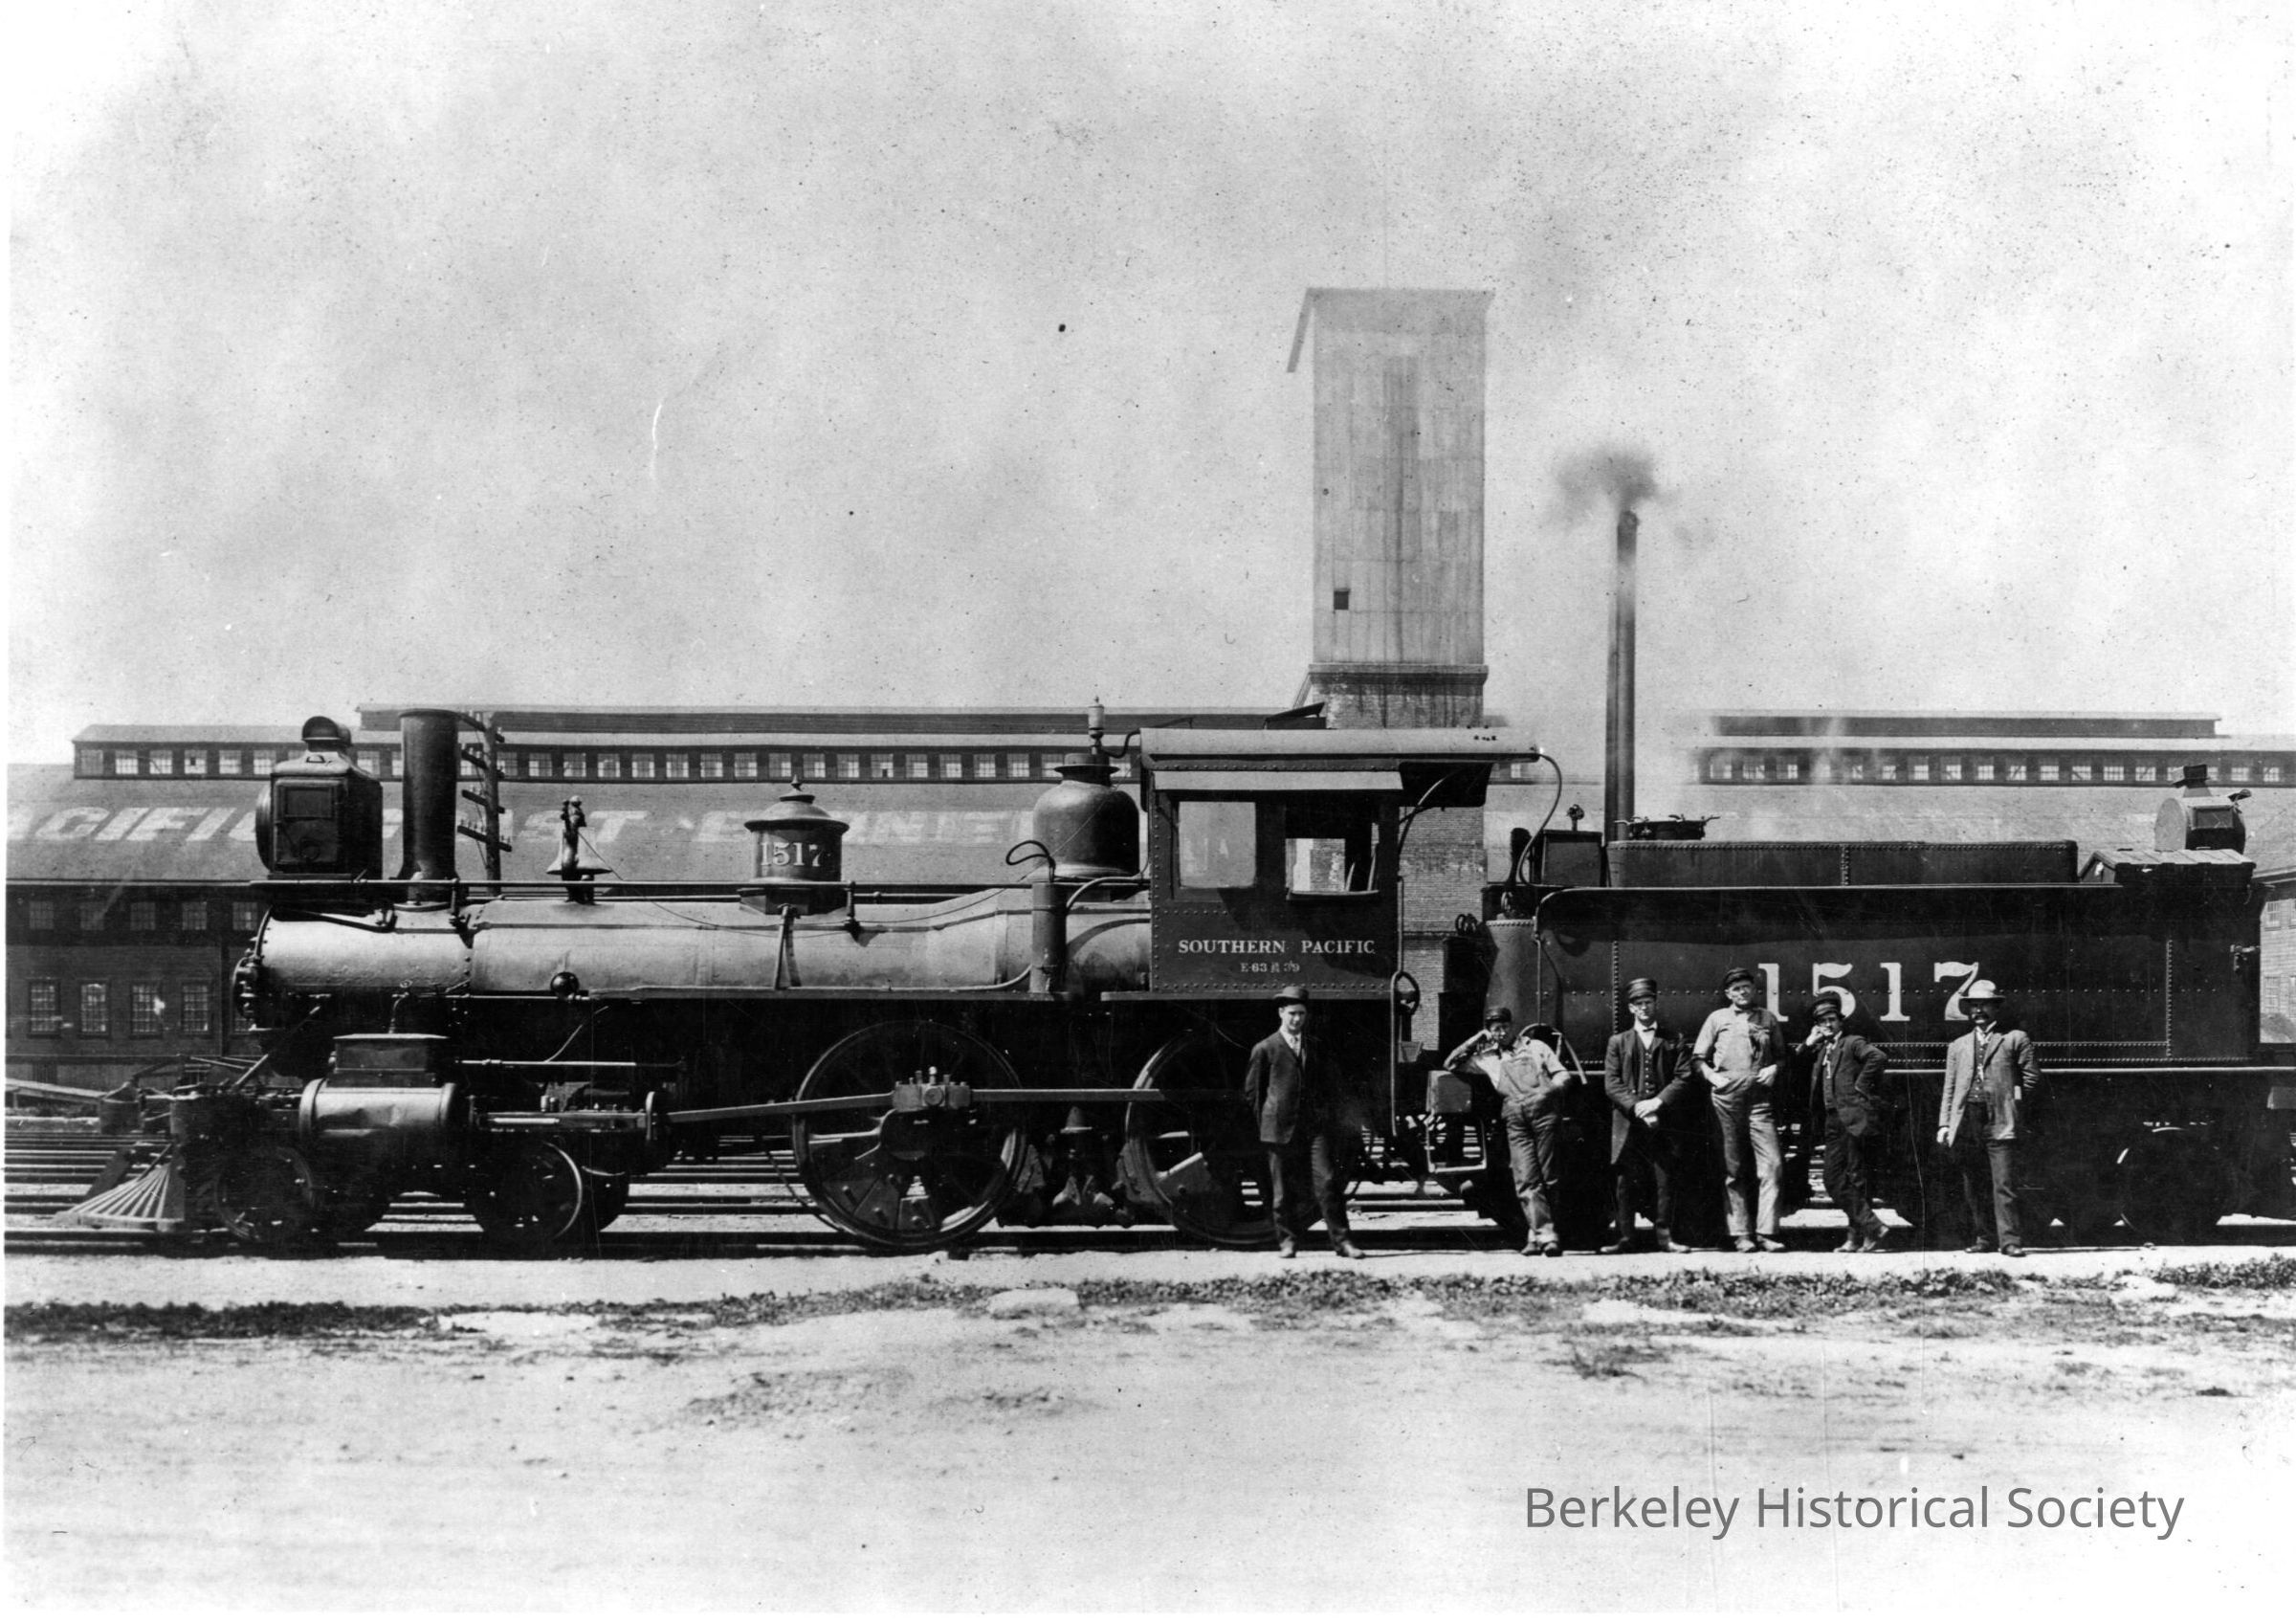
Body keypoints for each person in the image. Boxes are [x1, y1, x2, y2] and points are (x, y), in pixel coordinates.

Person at [1243, 986, 1363, 1259]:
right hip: (1278, 1129)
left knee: (1328, 1182)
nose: (1297, 1019)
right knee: (1281, 1191)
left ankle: (1343, 1243)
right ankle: (1287, 1242)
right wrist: (1267, 1124)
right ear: (1281, 1013)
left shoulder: (1315, 1046)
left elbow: (1329, 1086)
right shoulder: (1265, 1048)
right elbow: (1253, 1094)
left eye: (1301, 1014)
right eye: (1292, 1014)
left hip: (1314, 1128)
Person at [1935, 980, 2040, 1257]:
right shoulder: (1958, 1046)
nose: (1978, 1011)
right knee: (1974, 1184)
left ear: (1996, 1008)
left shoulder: (2015, 1039)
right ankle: (1984, 1238)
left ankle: (2010, 1241)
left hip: (2000, 1119)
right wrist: (1945, 1124)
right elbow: (1949, 1088)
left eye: (1984, 1005)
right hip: (1967, 1120)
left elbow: (2031, 1079)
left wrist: (2013, 1104)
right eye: (1973, 1006)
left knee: (2003, 1183)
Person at [1692, 966, 1788, 1253]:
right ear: (1728, 993)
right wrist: (1713, 1077)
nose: (1742, 992)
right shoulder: (1717, 1018)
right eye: (1736, 989)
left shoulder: (1767, 1018)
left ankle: (1767, 1233)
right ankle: (1741, 1234)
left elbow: (1782, 1057)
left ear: (1753, 990)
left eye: (1746, 987)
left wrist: (1774, 1068)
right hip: (1726, 1098)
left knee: (1772, 1165)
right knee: (1732, 1168)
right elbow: (1698, 1058)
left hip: (1760, 1099)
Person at [1601, 977, 1693, 1254]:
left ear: (1655, 1004)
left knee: (1665, 1180)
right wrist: (1636, 1107)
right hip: (1629, 1123)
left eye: (1648, 1002)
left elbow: (1683, 1077)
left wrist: (1657, 1103)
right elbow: (1612, 1083)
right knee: (1625, 1182)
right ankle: (1625, 1238)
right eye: (1639, 1003)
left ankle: (1666, 1238)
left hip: (1663, 1121)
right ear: (1631, 1008)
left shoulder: (1674, 1039)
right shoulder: (1618, 1042)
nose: (1644, 1007)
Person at [1802, 990, 1889, 1253]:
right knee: (1832, 1179)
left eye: (1832, 1020)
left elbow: (1877, 1057)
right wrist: (1808, 1042)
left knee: (1857, 1178)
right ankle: (1873, 1226)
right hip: (1832, 1121)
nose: (1828, 1025)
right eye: (1822, 1021)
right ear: (1817, 1025)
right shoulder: (1821, 1050)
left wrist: (1861, 1086)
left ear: (1840, 1021)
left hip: (1854, 1118)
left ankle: (1856, 1238)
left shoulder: (1852, 1042)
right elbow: (1797, 1062)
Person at [1486, 1022, 1574, 1257]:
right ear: (1489, 1032)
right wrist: (1479, 1038)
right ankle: (1546, 1236)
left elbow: (1562, 1074)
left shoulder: (1536, 1047)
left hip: (1543, 1115)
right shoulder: (1487, 1057)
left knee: (1549, 1176)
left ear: (1512, 1027)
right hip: (1515, 1118)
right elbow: (1451, 1062)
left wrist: (1547, 1091)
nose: (1502, 1033)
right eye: (1495, 1029)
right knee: (1525, 1178)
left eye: (1505, 1027)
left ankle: (1535, 1236)